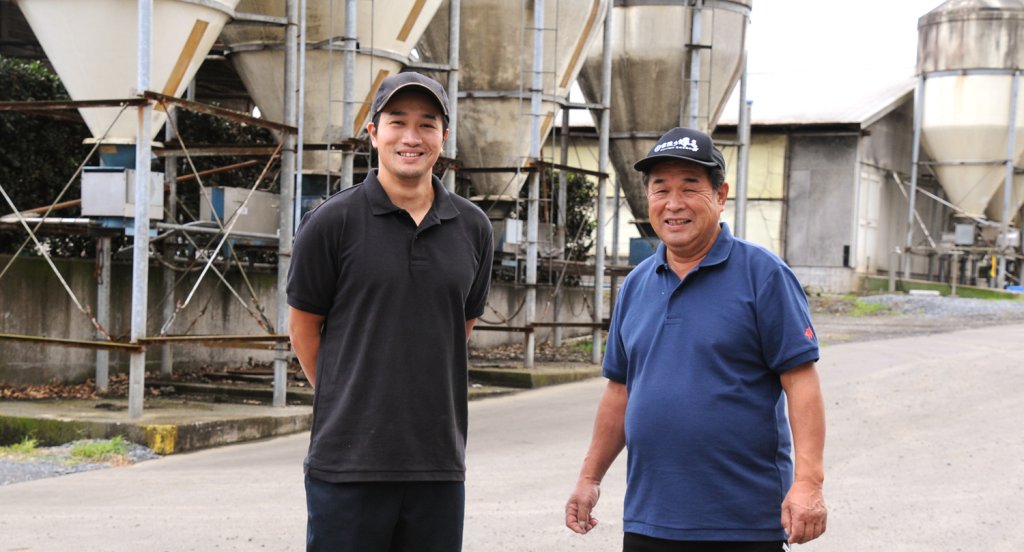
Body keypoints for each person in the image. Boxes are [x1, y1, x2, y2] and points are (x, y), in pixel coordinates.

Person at [564, 127, 827, 551]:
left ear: (721, 196)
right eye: (660, 188)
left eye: (690, 187)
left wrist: (808, 483)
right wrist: (589, 478)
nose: (673, 203)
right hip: (650, 521)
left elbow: (801, 383)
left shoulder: (763, 275)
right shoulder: (636, 285)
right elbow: (620, 392)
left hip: (741, 523)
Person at [287, 71, 493, 552]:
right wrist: (352, 396)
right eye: (397, 121)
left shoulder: (473, 227)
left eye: (427, 124)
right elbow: (303, 329)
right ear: (374, 133)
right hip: (347, 464)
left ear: (443, 136)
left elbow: (459, 326)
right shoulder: (330, 222)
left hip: (438, 463)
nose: (411, 137)